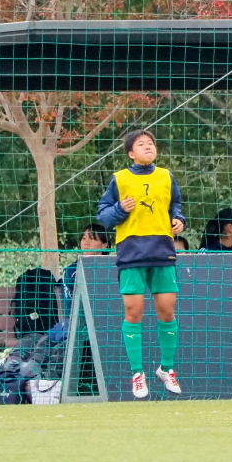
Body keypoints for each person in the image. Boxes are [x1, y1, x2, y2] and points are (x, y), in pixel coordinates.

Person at [95, 129, 187, 399]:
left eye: (151, 143)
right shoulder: (119, 180)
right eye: (141, 144)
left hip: (162, 252)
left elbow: (176, 205)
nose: (148, 147)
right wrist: (120, 209)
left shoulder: (166, 177)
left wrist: (179, 220)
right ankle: (137, 373)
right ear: (131, 153)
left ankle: (166, 369)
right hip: (131, 253)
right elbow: (104, 216)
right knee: (133, 312)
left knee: (167, 311)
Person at [60, 222, 109, 312]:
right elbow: (71, 308)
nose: (86, 243)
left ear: (104, 245)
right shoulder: (71, 271)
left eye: (92, 239)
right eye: (84, 238)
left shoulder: (112, 269)